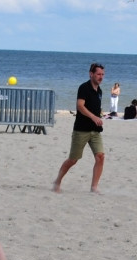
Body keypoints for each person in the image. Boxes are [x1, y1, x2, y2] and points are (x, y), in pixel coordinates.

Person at [52, 62, 106, 194]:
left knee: (100, 156)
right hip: (81, 130)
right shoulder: (84, 88)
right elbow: (80, 106)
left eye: (103, 74)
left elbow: (95, 107)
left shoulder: (99, 91)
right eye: (98, 74)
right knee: (73, 160)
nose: (101, 77)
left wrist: (99, 117)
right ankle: (57, 181)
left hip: (95, 131)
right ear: (91, 74)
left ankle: (94, 187)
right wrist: (93, 117)